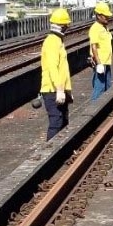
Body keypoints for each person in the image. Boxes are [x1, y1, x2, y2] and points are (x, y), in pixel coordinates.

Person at [40, 8, 73, 140]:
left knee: (63, 121)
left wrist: (67, 91)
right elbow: (54, 68)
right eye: (66, 26)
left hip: (58, 89)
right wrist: (59, 90)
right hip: (52, 89)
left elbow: (63, 69)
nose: (67, 28)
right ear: (62, 26)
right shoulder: (52, 41)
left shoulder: (58, 40)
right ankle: (49, 154)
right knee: (56, 122)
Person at [89, 1, 113, 100]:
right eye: (105, 16)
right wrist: (98, 64)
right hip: (101, 62)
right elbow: (93, 46)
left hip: (106, 62)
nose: (107, 18)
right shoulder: (95, 28)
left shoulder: (104, 27)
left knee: (107, 87)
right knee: (99, 88)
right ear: (99, 16)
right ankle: (93, 110)